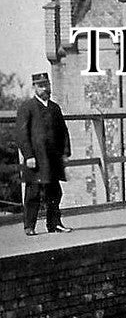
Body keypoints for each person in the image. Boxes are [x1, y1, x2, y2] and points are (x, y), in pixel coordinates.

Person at [15, 72, 72, 236]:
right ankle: (29, 226)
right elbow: (21, 133)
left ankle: (54, 223)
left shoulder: (54, 107)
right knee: (33, 192)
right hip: (36, 158)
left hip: (53, 158)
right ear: (34, 87)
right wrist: (28, 155)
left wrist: (65, 152)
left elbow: (63, 131)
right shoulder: (27, 107)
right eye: (40, 85)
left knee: (54, 192)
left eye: (46, 85)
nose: (45, 88)